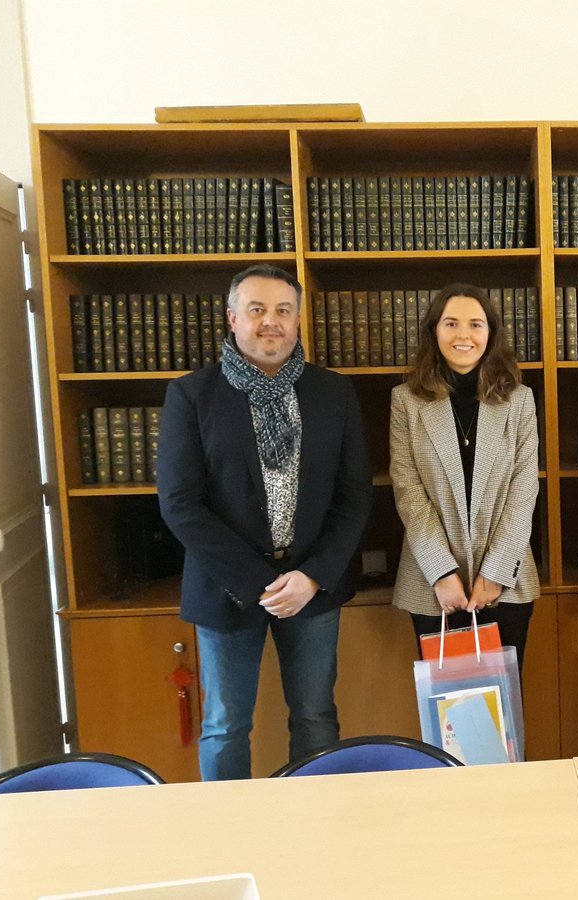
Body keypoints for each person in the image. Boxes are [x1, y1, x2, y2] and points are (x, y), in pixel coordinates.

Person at [157, 264, 372, 780]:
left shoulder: (333, 393)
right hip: (227, 588)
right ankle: (231, 839)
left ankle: (315, 825)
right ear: (233, 319)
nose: (269, 322)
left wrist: (312, 576)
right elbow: (181, 503)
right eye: (256, 310)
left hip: (312, 586)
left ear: (298, 321)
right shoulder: (192, 395)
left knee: (317, 715)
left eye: (282, 310)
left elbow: (354, 495)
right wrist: (261, 583)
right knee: (226, 724)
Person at [389, 284, 539, 671]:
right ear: (434, 331)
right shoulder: (406, 400)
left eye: (475, 324)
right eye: (451, 323)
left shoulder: (519, 400)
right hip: (431, 583)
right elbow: (408, 491)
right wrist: (441, 571)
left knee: (503, 712)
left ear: (490, 334)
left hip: (505, 582)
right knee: (448, 714)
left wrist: (495, 571)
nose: (463, 335)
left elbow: (524, 488)